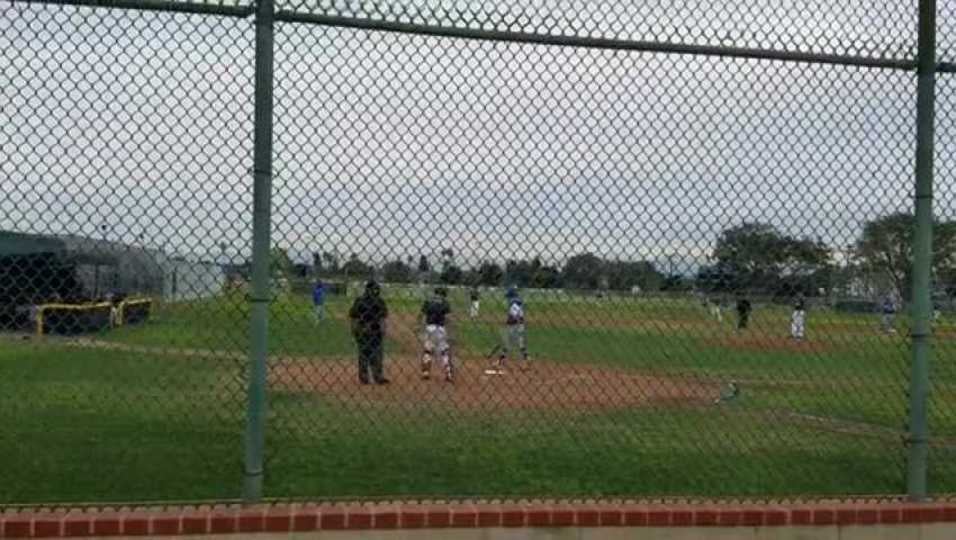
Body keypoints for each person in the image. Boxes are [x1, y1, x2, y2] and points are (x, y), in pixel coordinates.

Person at [348, 280, 389, 385]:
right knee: (376, 354)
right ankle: (376, 376)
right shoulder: (379, 301)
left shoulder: (359, 300)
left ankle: (365, 377)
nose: (376, 291)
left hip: (363, 330)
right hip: (374, 331)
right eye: (375, 289)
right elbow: (382, 319)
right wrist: (383, 331)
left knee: (364, 354)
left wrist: (354, 331)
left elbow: (353, 317)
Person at [420, 287, 453, 382]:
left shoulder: (428, 301)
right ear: (443, 294)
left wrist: (421, 327)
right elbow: (448, 318)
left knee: (428, 350)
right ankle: (448, 373)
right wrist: (449, 330)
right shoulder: (444, 303)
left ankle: (425, 372)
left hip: (429, 327)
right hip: (441, 328)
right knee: (444, 351)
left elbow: (422, 315)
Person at [494, 286, 529, 372]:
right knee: (520, 344)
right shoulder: (518, 302)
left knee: (507, 343)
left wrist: (511, 323)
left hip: (515, 326)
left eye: (509, 296)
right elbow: (519, 316)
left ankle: (500, 361)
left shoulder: (513, 303)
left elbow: (515, 316)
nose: (508, 298)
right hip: (519, 325)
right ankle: (526, 360)